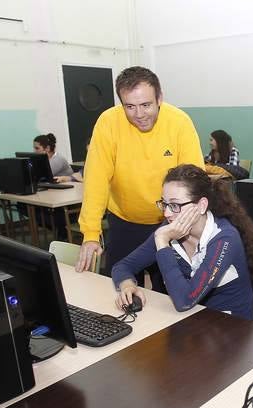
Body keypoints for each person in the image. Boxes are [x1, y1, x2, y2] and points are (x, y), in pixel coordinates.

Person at [75, 66, 205, 291]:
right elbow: (96, 181)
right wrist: (90, 233)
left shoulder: (179, 122)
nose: (139, 114)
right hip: (124, 222)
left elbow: (194, 182)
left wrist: (193, 229)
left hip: (171, 224)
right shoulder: (108, 123)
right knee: (117, 290)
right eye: (130, 107)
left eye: (146, 105)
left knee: (171, 295)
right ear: (121, 103)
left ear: (159, 98)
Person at [111, 165, 253, 319]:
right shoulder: (170, 229)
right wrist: (127, 285)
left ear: (201, 205)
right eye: (164, 204)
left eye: (175, 205)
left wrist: (163, 243)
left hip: (232, 327)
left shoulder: (224, 238)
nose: (167, 213)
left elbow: (185, 300)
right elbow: (122, 266)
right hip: (191, 321)